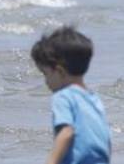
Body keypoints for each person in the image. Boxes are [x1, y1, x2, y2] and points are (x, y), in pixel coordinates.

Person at [31, 27, 111, 164]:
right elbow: (105, 137)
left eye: (46, 74)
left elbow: (67, 132)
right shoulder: (94, 99)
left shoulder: (63, 97)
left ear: (59, 71)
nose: (46, 81)